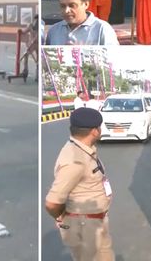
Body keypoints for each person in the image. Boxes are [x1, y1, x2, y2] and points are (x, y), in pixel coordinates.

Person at [45, 108, 114, 261]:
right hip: (85, 228)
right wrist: (62, 217)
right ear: (95, 131)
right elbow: (52, 203)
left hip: (93, 223)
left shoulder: (83, 149)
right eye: (99, 127)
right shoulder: (75, 161)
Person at [45, 0, 119, 45]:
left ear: (86, 4)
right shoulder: (54, 31)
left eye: (72, 5)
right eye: (63, 6)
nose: (66, 11)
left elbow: (113, 59)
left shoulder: (102, 29)